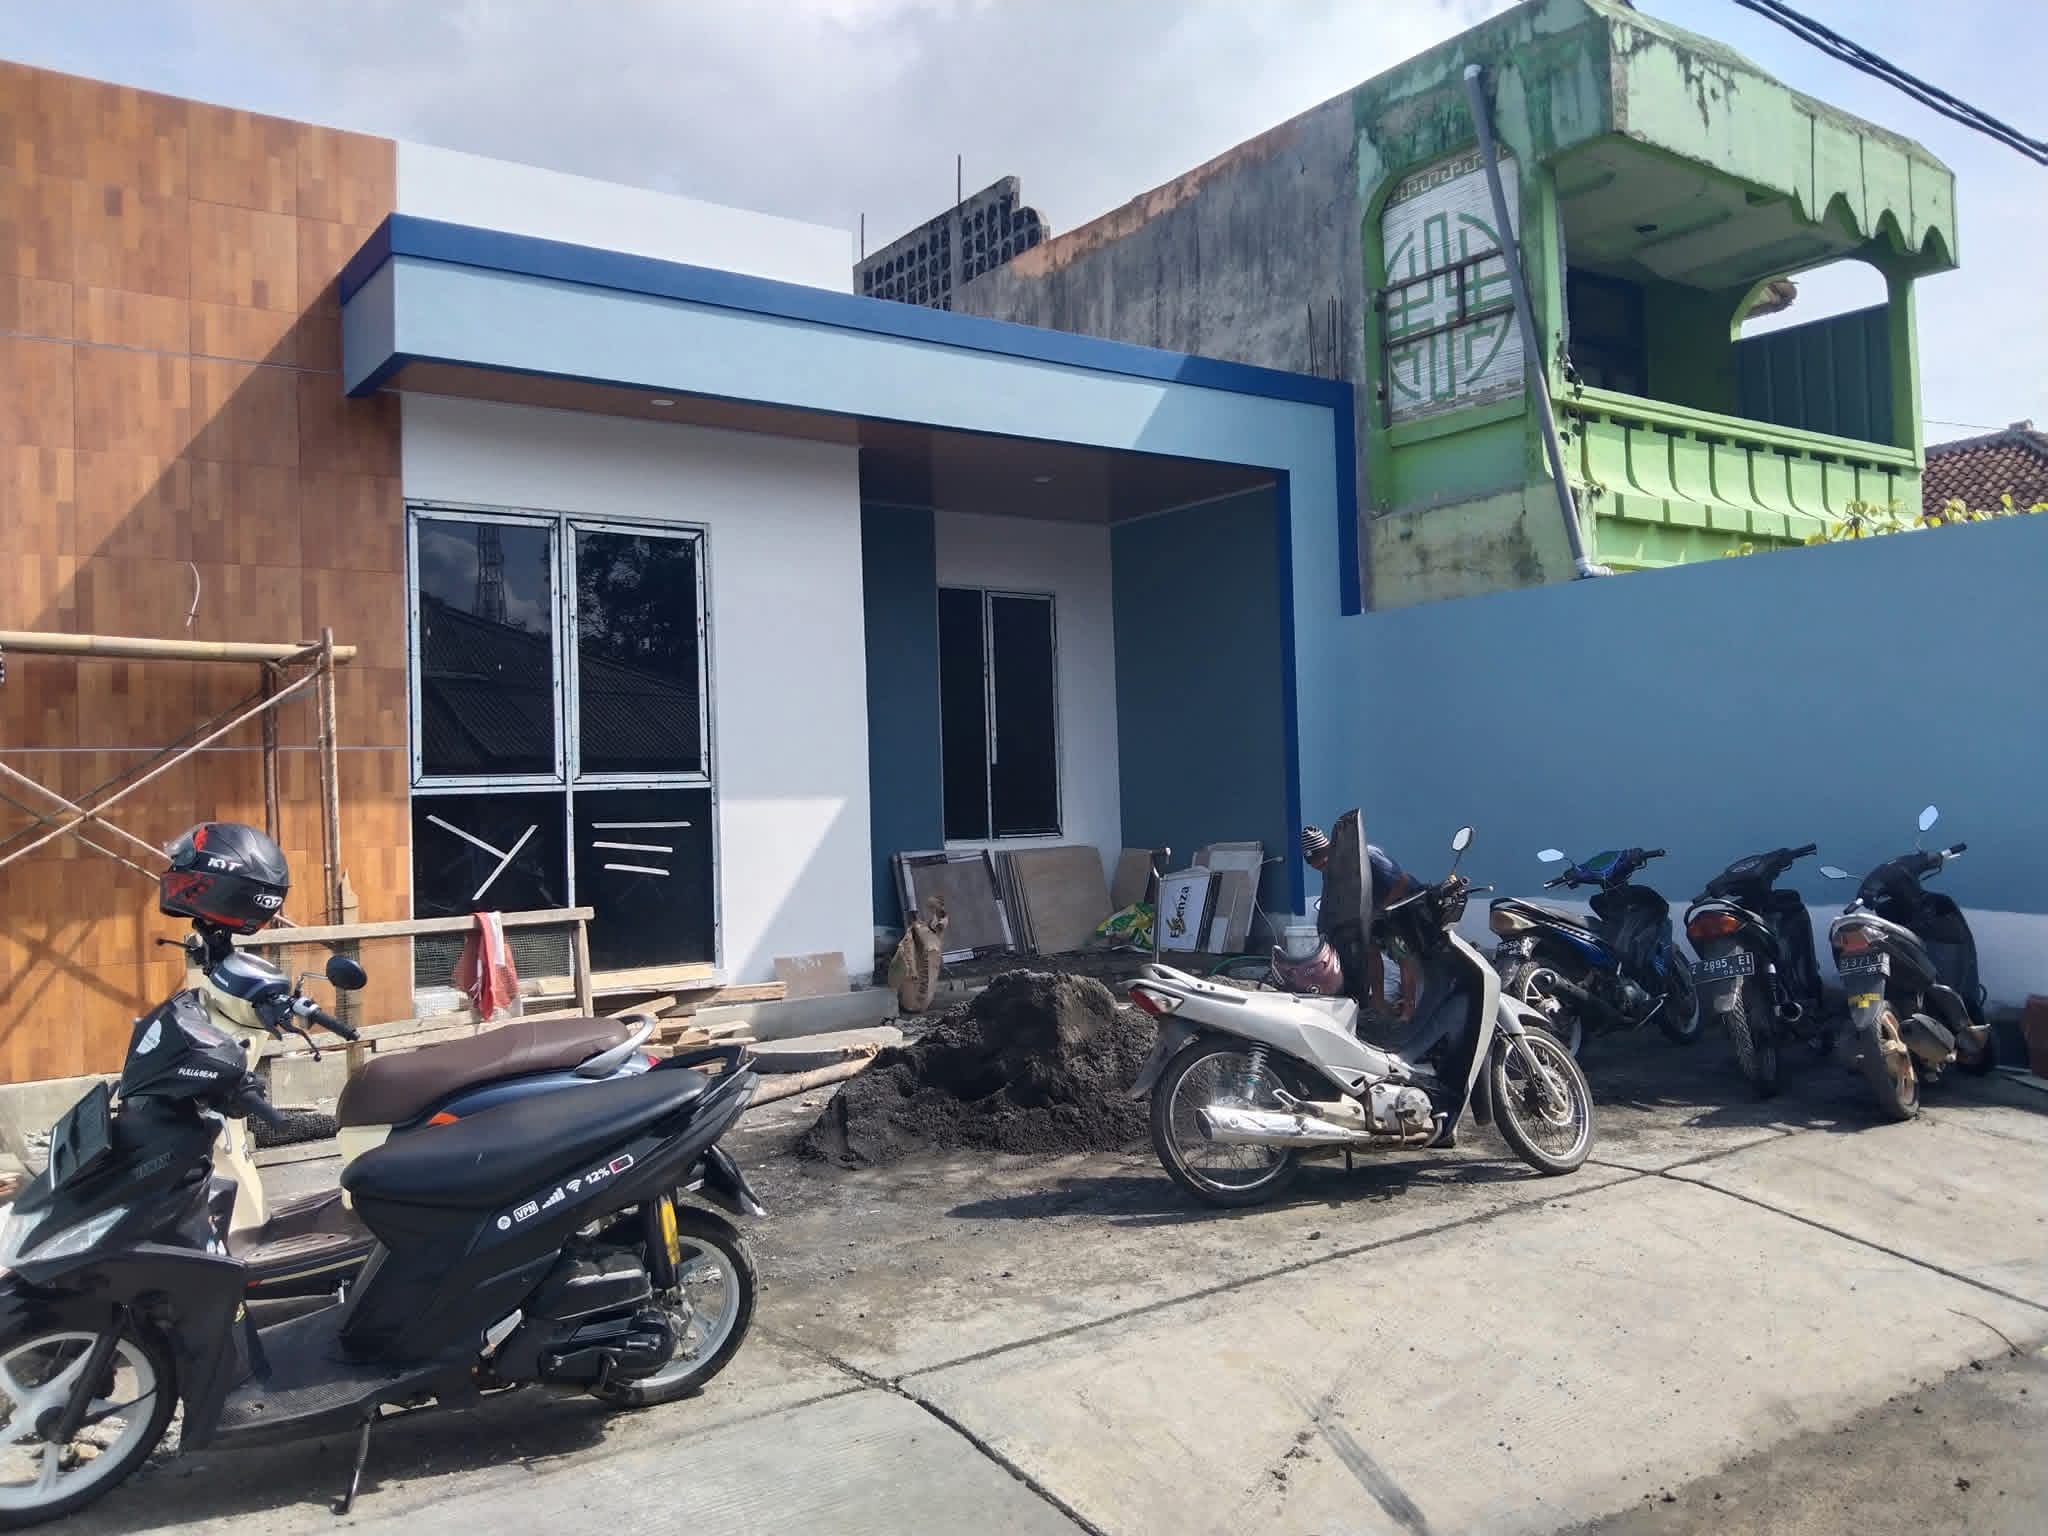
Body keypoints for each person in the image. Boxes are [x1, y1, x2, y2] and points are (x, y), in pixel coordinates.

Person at [1302, 824, 1424, 1021]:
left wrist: (1382, 908)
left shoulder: (1367, 857)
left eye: (1323, 864)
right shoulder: (1331, 869)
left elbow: (1402, 881)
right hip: (1373, 913)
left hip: (1399, 908)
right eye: (1318, 868)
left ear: (1331, 850)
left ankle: (1408, 1012)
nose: (1323, 869)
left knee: (1402, 955)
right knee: (1369, 953)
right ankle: (1378, 1005)